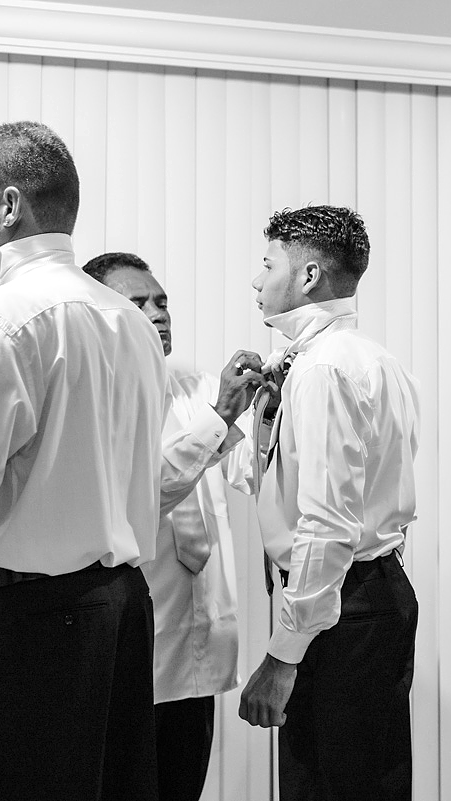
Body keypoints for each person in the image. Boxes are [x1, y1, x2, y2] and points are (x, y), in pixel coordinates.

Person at [0, 122, 166, 800]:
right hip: (125, 610)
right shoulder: (130, 322)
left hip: (35, 624)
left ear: (11, 204)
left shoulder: (1, 318)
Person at [237, 204, 421, 801]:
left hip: (342, 607)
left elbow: (326, 523)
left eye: (266, 265)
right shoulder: (366, 358)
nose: (256, 280)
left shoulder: (322, 371)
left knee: (330, 787)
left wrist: (284, 656)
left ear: (308, 276)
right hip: (363, 597)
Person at [83, 251, 263, 801]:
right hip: (128, 651)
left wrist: (271, 410)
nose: (158, 314)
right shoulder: (91, 398)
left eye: (161, 302)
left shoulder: (193, 383)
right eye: (137, 303)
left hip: (200, 646)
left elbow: (248, 470)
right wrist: (222, 419)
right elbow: (139, 498)